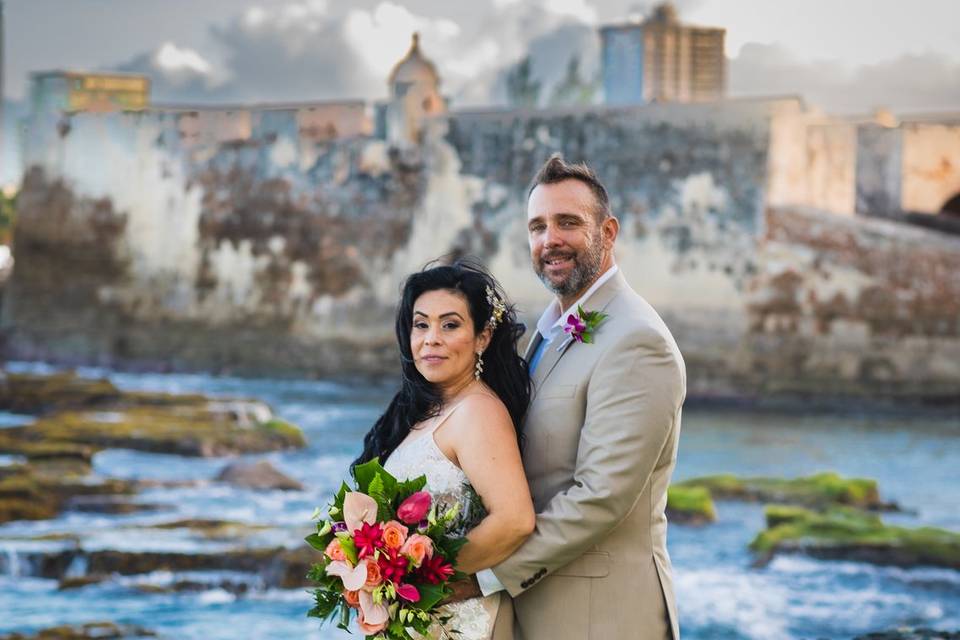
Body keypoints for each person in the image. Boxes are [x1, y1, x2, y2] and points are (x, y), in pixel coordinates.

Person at [473, 154, 687, 640]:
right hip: (543, 609)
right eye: (537, 226)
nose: (550, 240)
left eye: (568, 222)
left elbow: (600, 497)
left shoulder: (637, 341)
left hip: (602, 618)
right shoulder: (548, 329)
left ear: (608, 233)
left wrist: (482, 574)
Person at [354, 260, 536, 640]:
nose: (430, 338)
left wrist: (417, 578)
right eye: (421, 324)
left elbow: (514, 520)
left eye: (450, 325)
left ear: (482, 337)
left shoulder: (478, 411)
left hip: (453, 623)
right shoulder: (424, 413)